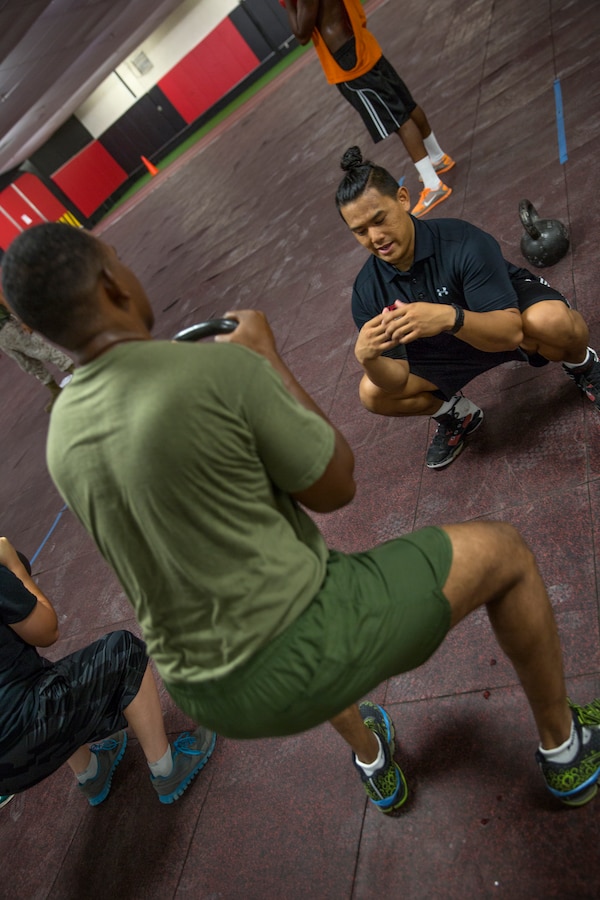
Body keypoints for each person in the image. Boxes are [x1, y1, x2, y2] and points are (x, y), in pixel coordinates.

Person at [3, 223, 600, 816]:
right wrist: (267, 362)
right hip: (309, 648)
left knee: (284, 590)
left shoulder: (64, 436)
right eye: (118, 258)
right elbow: (336, 486)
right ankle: (566, 748)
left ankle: (373, 760)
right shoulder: (212, 373)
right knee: (507, 554)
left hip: (204, 690)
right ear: (113, 283)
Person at [335, 146, 600, 469]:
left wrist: (449, 316)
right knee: (372, 393)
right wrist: (368, 358)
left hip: (501, 321)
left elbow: (510, 333)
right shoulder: (367, 291)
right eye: (360, 231)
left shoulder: (461, 241)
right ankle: (458, 415)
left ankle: (583, 366)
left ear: (403, 199)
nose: (375, 237)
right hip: (446, 352)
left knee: (552, 322)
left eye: (380, 219)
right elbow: (396, 379)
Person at [0, 535, 216, 806]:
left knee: (34, 675)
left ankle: (91, 774)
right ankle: (167, 770)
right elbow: (47, 631)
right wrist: (13, 567)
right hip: (21, 738)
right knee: (124, 651)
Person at [281, 0, 454, 218]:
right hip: (361, 42)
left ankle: (433, 185)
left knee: (399, 120)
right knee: (407, 105)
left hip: (347, 58)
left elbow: (302, 35)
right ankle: (437, 158)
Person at [0, 279, 75, 412]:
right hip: (2, 338)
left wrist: (21, 319)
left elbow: (3, 299)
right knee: (27, 364)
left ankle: (74, 371)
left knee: (41, 350)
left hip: (8, 326)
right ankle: (54, 389)